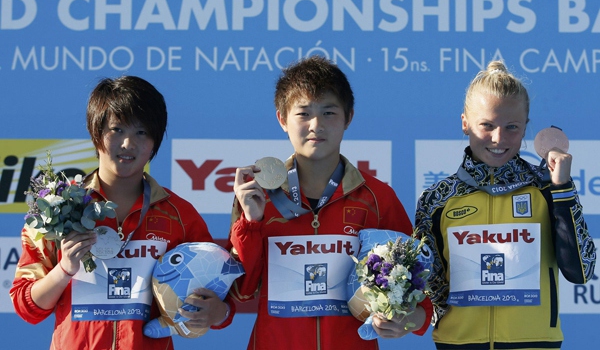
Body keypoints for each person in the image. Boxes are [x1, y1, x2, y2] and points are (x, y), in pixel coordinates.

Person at [10, 76, 233, 349]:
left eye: (142, 132)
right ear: (96, 133)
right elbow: (27, 307)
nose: (128, 144)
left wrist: (217, 313)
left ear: (155, 141)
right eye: (116, 130)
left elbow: (221, 300)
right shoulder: (58, 209)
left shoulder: (179, 214)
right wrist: (64, 270)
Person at [228, 55, 433, 350]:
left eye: (328, 113)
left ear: (349, 117)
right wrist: (251, 224)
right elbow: (241, 292)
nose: (316, 125)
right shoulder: (258, 196)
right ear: (282, 119)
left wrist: (406, 322)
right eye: (303, 113)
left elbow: (420, 292)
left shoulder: (376, 198)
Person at [415, 60, 596, 349]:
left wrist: (562, 190)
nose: (499, 138)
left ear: (525, 126)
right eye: (486, 125)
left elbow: (581, 271)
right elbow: (426, 284)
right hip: (458, 342)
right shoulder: (438, 199)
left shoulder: (547, 187)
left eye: (511, 127)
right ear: (465, 123)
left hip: (533, 342)